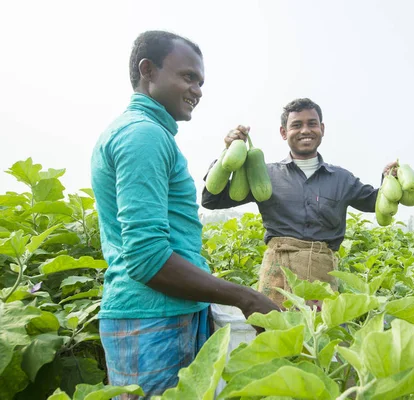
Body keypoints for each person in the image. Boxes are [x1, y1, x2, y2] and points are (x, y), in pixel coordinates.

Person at [90, 30, 279, 398]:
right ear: (149, 70)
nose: (198, 89)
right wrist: (246, 297)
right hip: (152, 319)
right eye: (187, 76)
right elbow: (147, 259)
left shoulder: (146, 133)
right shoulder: (142, 135)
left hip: (163, 314)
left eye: (201, 81)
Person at [201, 98, 397, 308]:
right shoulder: (264, 175)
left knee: (321, 337)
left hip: (322, 277)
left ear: (321, 129)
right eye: (296, 125)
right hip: (277, 274)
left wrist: (389, 179)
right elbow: (212, 200)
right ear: (284, 132)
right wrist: (228, 153)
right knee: (274, 335)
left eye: (312, 124)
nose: (305, 130)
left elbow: (376, 203)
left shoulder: (342, 178)